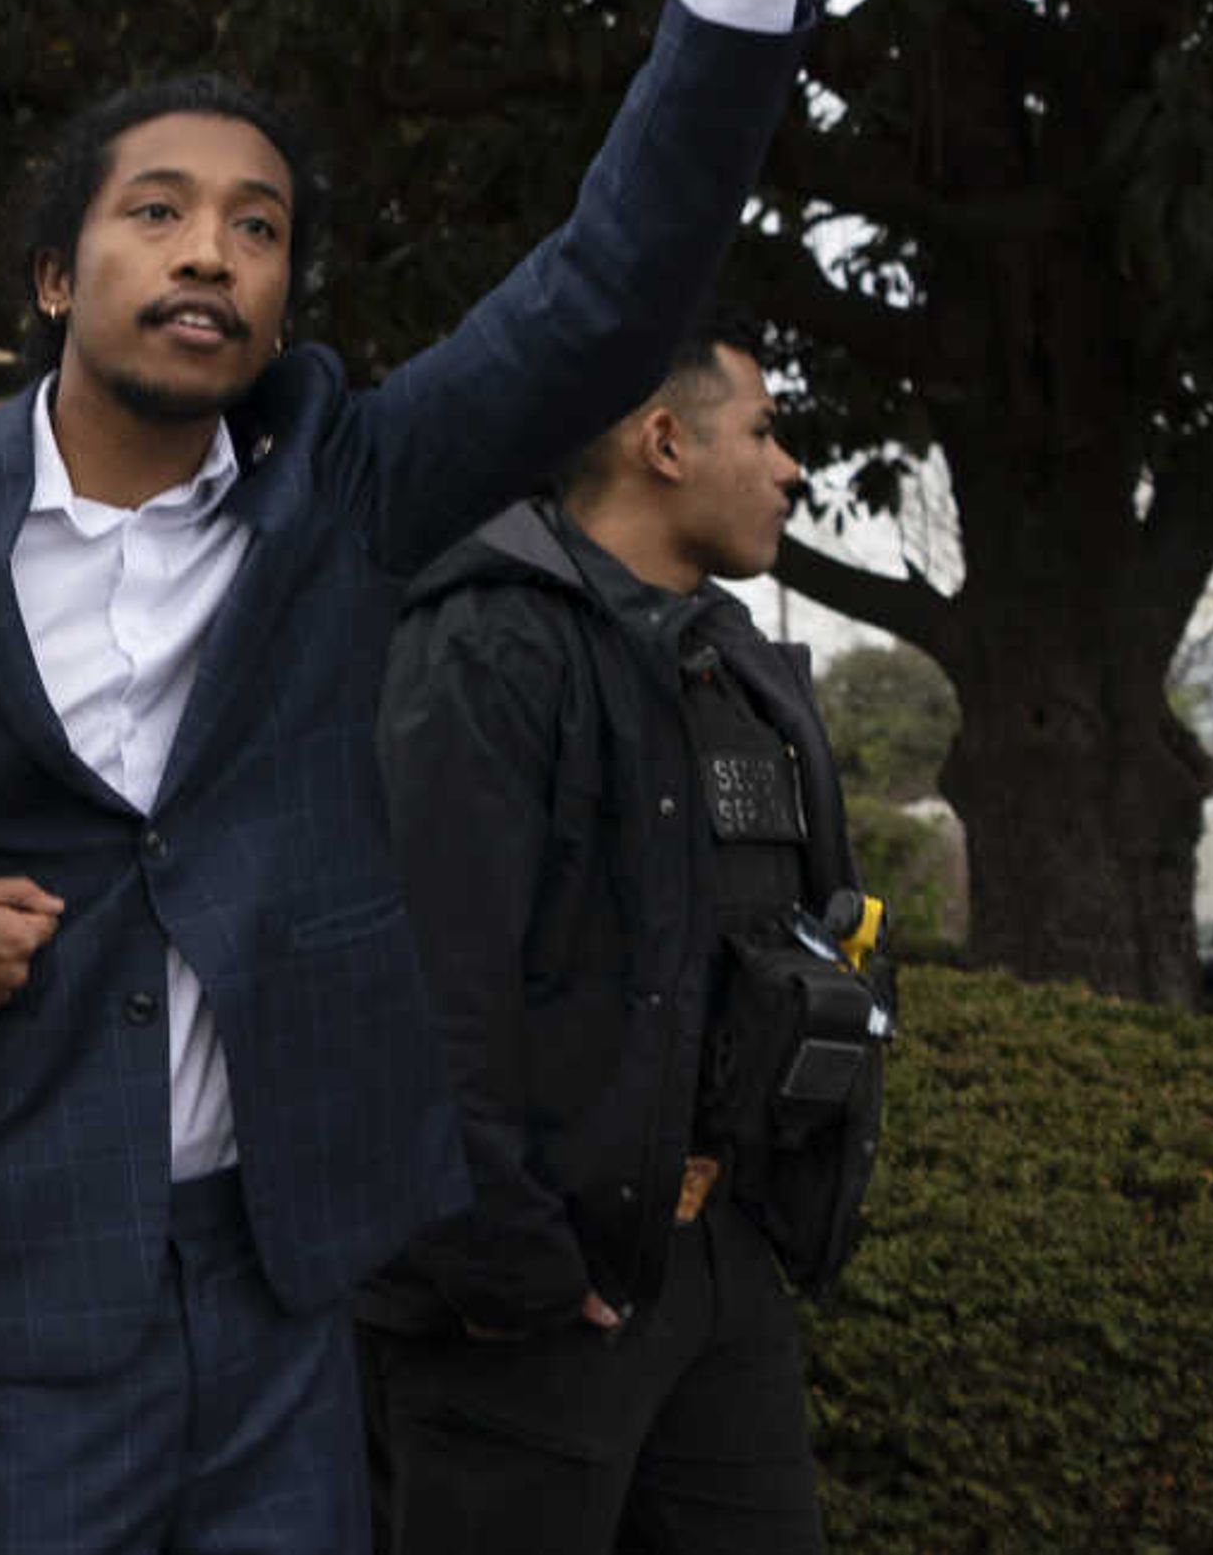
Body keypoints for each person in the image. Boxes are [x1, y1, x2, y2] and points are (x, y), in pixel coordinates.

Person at [0, 0, 877, 1555]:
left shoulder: (349, 497)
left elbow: (614, 282)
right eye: (158, 213)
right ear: (61, 271)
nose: (212, 250)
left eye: (260, 224)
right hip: (1, 1281)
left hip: (283, 1293)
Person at [359, 329, 885, 1553]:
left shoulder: (735, 663)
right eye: (761, 429)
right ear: (664, 442)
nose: (791, 466)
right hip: (533, 1301)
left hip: (719, 1269)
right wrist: (513, 1266)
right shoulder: (488, 643)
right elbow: (429, 989)